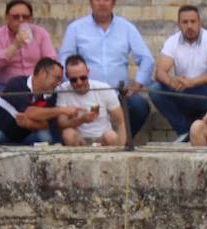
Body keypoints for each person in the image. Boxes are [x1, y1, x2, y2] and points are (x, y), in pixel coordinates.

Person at [58, 0, 152, 139]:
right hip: (86, 93)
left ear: (113, 3)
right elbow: (64, 60)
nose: (102, 3)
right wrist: (76, 86)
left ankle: (122, 142)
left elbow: (146, 58)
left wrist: (137, 85)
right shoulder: (76, 28)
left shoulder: (127, 28)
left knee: (139, 106)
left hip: (119, 94)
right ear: (90, 3)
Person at [149, 4, 207, 142]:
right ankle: (184, 131)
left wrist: (192, 82)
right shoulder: (172, 41)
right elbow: (159, 72)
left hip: (204, 93)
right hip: (182, 91)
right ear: (178, 24)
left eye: (193, 21)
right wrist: (172, 82)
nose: (189, 26)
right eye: (185, 22)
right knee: (155, 89)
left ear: (200, 22)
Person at [0, 54, 66, 145]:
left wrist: (31, 123)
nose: (58, 83)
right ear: (43, 73)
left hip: (27, 137)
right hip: (4, 134)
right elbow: (27, 113)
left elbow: (48, 124)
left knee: (45, 137)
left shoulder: (51, 94)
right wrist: (61, 111)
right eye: (57, 78)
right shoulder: (17, 84)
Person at [56, 53, 124, 146]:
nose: (79, 82)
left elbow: (121, 122)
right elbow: (61, 123)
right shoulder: (63, 90)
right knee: (68, 134)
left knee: (111, 136)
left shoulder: (104, 88)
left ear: (88, 72)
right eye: (74, 80)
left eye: (83, 78)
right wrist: (81, 120)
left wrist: (121, 147)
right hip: (80, 140)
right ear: (67, 76)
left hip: (102, 139)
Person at [0, 0, 55, 89]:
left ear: (31, 19)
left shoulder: (40, 33)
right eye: (16, 17)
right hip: (6, 84)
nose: (21, 20)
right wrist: (15, 46)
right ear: (6, 18)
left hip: (35, 84)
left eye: (25, 17)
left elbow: (51, 61)